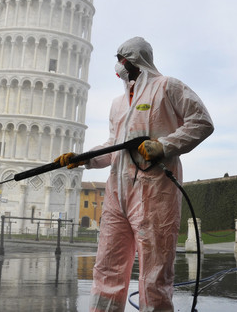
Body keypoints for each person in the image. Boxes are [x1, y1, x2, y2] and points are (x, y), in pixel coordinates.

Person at [54, 37, 214, 312]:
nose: (119, 66)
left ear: (136, 60)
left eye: (122, 59)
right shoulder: (118, 104)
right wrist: (82, 158)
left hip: (155, 191)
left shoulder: (167, 87)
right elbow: (114, 146)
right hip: (118, 193)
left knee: (154, 270)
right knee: (107, 265)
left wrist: (164, 146)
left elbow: (201, 122)